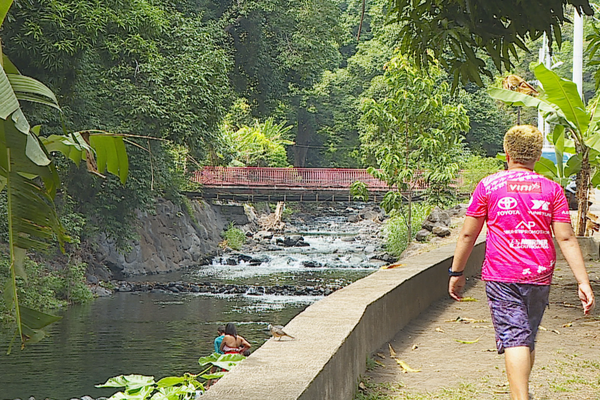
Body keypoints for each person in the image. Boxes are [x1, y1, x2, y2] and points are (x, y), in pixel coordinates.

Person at [449, 125, 595, 400]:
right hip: (540, 275)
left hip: (501, 274)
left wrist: (456, 272)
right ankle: (521, 392)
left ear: (506, 152)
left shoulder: (489, 185)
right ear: (538, 156)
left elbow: (469, 233)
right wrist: (583, 281)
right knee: (526, 335)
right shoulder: (552, 189)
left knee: (515, 336)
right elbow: (566, 238)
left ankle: (520, 397)